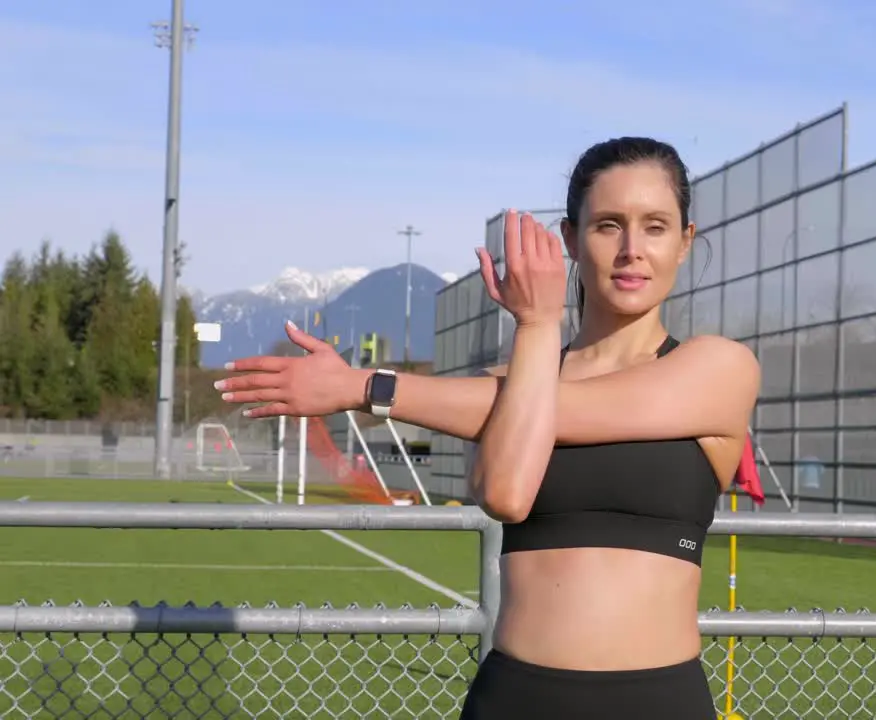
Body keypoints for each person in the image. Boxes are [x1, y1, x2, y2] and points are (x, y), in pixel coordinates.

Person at [215, 137, 761, 719]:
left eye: (655, 226)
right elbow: (505, 492)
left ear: (684, 242)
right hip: (517, 699)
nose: (632, 249)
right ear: (571, 241)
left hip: (659, 702)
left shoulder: (719, 368)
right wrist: (535, 325)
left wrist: (360, 386)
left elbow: (564, 412)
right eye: (608, 225)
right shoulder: (508, 379)